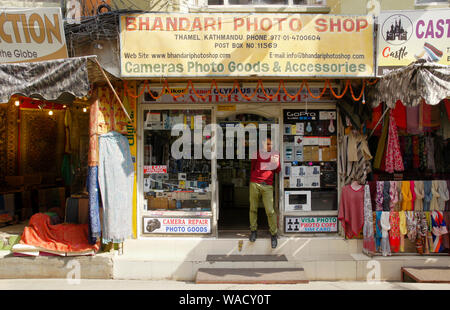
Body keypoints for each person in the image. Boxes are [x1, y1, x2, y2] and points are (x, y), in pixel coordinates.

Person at [249, 136, 280, 248]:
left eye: (270, 144)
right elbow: (253, 167)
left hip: (267, 185)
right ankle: (253, 231)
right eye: (266, 144)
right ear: (261, 144)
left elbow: (277, 169)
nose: (268, 146)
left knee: (270, 211)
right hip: (255, 183)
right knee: (253, 208)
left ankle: (273, 234)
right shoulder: (255, 153)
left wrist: (264, 166)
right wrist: (269, 165)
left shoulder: (275, 154)